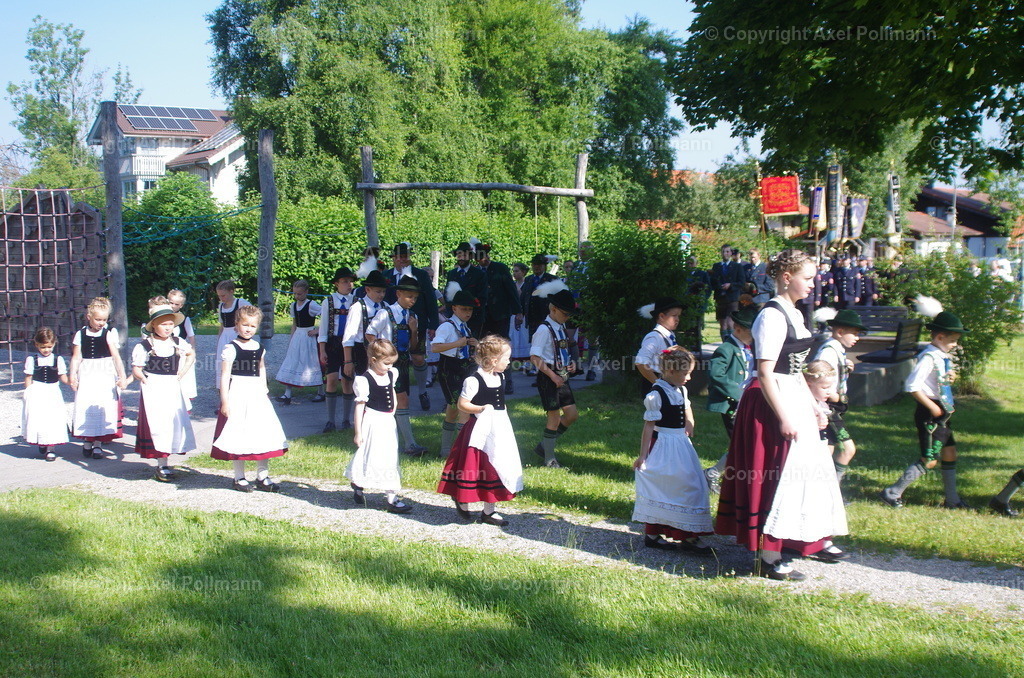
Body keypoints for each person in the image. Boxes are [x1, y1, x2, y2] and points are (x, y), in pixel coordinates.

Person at [715, 249, 849, 582]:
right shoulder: (771, 316)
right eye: (808, 278)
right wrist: (785, 416)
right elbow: (765, 373)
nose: (813, 284)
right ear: (787, 278)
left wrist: (814, 405)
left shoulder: (795, 313)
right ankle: (769, 555)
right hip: (769, 401)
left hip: (792, 394)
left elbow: (797, 369)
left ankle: (802, 539)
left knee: (804, 471)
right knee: (775, 474)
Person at [880, 310, 972, 509]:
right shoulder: (928, 357)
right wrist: (932, 407)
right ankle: (892, 492)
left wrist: (951, 376)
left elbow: (939, 379)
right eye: (953, 340)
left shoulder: (941, 355)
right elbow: (912, 386)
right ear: (940, 337)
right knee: (929, 459)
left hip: (942, 412)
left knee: (950, 452)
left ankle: (952, 500)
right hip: (930, 413)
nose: (955, 344)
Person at [633, 346, 714, 554]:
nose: (689, 378)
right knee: (670, 486)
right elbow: (649, 426)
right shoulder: (656, 394)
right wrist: (643, 456)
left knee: (691, 483)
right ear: (670, 371)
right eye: (685, 373)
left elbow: (686, 406)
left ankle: (686, 532)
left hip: (681, 444)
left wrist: (690, 422)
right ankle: (657, 534)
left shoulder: (681, 389)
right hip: (664, 445)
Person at [438, 335, 523, 526]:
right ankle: (462, 498)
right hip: (479, 431)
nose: (509, 362)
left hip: (499, 429)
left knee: (496, 465)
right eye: (506, 358)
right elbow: (462, 404)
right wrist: (481, 409)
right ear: (493, 360)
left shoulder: (500, 377)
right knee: (477, 466)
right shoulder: (474, 380)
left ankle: (489, 511)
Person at [212, 305, 288, 492]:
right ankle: (239, 477)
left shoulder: (259, 348)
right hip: (238, 392)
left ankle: (262, 475)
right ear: (237, 324)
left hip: (256, 394)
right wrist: (225, 401)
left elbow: (261, 369)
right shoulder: (231, 348)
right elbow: (225, 376)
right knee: (239, 432)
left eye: (253, 326)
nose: (248, 329)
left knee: (262, 431)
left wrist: (264, 390)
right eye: (245, 324)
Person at [131, 303, 197, 482]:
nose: (168, 328)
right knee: (158, 424)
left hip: (172, 387)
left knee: (171, 423)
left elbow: (191, 354)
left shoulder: (177, 342)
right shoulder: (145, 346)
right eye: (163, 324)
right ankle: (161, 464)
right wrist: (143, 378)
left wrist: (183, 371)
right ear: (153, 325)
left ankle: (165, 462)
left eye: (170, 324)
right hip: (154, 388)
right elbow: (137, 368)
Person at [346, 338, 412, 513]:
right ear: (373, 360)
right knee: (369, 454)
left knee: (390, 456)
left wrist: (393, 412)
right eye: (386, 363)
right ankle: (358, 482)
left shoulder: (391, 374)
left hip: (388, 422)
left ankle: (392, 496)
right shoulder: (364, 380)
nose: (390, 367)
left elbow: (392, 392)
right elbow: (359, 407)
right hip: (373, 422)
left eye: (392, 363)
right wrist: (358, 432)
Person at [365, 274, 428, 456]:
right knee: (399, 399)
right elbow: (370, 333)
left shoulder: (412, 316)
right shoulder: (385, 313)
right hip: (387, 364)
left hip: (403, 362)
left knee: (398, 400)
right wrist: (380, 354)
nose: (412, 300)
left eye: (415, 297)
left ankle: (397, 441)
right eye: (409, 296)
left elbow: (414, 346)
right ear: (399, 294)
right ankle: (409, 443)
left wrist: (414, 330)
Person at [812, 309, 867, 495]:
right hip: (828, 408)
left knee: (826, 451)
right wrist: (834, 396)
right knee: (847, 449)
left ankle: (822, 492)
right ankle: (831, 493)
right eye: (855, 333)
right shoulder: (828, 352)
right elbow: (817, 378)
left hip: (831, 408)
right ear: (840, 332)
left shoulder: (836, 350)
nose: (857, 338)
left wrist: (846, 367)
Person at [703, 307, 756, 492]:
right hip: (732, 405)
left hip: (750, 402)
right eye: (752, 332)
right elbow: (716, 375)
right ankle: (713, 474)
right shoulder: (725, 349)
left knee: (745, 443)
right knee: (741, 444)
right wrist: (739, 395)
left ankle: (736, 480)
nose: (755, 336)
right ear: (738, 329)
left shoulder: (752, 347)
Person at [69, 296, 127, 459]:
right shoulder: (80, 334)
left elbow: (116, 356)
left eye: (104, 320)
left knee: (102, 406)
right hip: (87, 372)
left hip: (104, 372)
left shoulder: (108, 334)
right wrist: (73, 375)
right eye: (98, 319)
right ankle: (87, 440)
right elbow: (76, 357)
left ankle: (98, 444)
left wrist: (122, 375)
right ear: (89, 317)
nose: (101, 323)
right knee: (87, 405)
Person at [384, 242, 439, 410]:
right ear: (393, 258)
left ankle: (422, 391)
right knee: (393, 359)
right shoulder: (386, 275)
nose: (402, 259)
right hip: (392, 326)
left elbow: (431, 299)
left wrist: (433, 324)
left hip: (417, 323)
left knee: (418, 358)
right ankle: (395, 395)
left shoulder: (420, 275)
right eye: (399, 257)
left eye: (405, 256)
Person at [529, 285, 579, 468]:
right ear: (554, 309)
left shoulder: (560, 326)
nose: (567, 317)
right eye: (565, 314)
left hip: (561, 375)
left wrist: (570, 364)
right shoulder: (543, 330)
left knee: (572, 415)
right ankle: (549, 459)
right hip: (548, 376)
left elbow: (562, 350)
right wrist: (553, 376)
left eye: (569, 314)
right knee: (554, 417)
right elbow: (535, 358)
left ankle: (544, 446)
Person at [432, 285, 479, 457]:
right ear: (454, 308)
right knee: (459, 407)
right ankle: (457, 450)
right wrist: (457, 344)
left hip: (465, 368)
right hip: (449, 368)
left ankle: (450, 449)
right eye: (464, 309)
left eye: (470, 310)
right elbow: (435, 347)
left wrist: (475, 344)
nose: (467, 313)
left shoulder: (465, 326)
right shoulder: (446, 326)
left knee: (454, 408)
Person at [475, 243, 523, 393]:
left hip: (500, 314)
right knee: (483, 346)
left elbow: (511, 289)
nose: (481, 259)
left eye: (483, 255)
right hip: (482, 316)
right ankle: (485, 379)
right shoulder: (475, 271)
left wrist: (518, 311)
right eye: (478, 257)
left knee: (502, 345)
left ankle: (507, 380)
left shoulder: (500, 268)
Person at [21, 327, 69, 461]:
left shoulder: (58, 359)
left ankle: (51, 448)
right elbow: (28, 377)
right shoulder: (32, 359)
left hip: (53, 391)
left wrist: (72, 382)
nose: (46, 350)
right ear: (37, 345)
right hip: (38, 391)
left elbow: (63, 376)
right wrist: (28, 393)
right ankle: (42, 441)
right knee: (40, 418)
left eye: (49, 347)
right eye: (43, 347)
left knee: (53, 419)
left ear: (54, 344)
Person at [317, 268, 356, 431]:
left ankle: (346, 420)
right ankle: (330, 420)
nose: (349, 284)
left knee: (347, 380)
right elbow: (323, 327)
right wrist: (322, 350)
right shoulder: (329, 301)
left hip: (350, 344)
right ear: (336, 284)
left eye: (350, 281)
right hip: (333, 343)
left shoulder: (356, 301)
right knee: (332, 379)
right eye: (345, 281)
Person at [276, 279, 324, 406]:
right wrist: (292, 339)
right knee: (292, 361)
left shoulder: (311, 305)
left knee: (313, 362)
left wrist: (317, 330)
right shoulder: (293, 305)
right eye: (295, 293)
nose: (297, 296)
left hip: (308, 337)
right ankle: (287, 393)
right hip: (298, 336)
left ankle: (321, 392)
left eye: (300, 294)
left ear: (306, 292)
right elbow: (294, 324)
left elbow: (326, 315)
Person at [342, 269, 389, 388]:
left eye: (383, 291)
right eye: (378, 291)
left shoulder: (386, 307)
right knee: (364, 386)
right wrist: (348, 361)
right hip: (362, 352)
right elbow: (349, 337)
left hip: (383, 352)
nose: (381, 295)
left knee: (382, 385)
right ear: (367, 290)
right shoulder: (357, 307)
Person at [634, 297, 683, 394]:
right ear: (661, 316)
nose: (677, 319)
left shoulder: (669, 335)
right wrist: (658, 384)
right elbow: (640, 363)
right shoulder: (654, 337)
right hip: (656, 386)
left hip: (668, 383)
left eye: (678, 316)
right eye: (674, 315)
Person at [213, 281, 252, 389]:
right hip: (225, 336)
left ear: (231, 291)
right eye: (219, 296)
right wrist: (219, 340)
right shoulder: (221, 306)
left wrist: (243, 327)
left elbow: (252, 316)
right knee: (223, 361)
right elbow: (222, 325)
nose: (221, 298)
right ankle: (223, 389)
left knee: (238, 360)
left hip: (237, 335)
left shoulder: (240, 303)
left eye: (223, 295)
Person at [445, 241, 488, 336]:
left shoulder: (479, 274)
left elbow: (482, 297)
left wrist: (470, 311)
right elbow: (447, 296)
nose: (461, 258)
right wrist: (451, 313)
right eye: (459, 255)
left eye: (464, 255)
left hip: (473, 318)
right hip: (455, 317)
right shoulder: (452, 274)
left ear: (470, 256)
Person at [167, 289, 198, 405]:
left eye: (176, 304)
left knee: (181, 376)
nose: (173, 306)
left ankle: (183, 402)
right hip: (166, 350)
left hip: (180, 351)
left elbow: (191, 336)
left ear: (181, 305)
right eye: (171, 302)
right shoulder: (163, 316)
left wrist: (193, 352)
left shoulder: (185, 319)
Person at [710, 244, 744, 339]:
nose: (725, 254)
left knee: (730, 322)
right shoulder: (716, 266)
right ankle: (725, 343)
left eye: (727, 251)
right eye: (723, 252)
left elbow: (741, 282)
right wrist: (719, 286)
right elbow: (712, 281)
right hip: (720, 298)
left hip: (732, 298)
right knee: (723, 323)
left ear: (731, 253)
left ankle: (732, 343)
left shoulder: (737, 266)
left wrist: (730, 285)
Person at [684, 256, 712, 352]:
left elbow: (708, 289)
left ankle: (697, 347)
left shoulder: (702, 274)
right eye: (688, 263)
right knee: (687, 327)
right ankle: (687, 346)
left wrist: (702, 299)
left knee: (697, 326)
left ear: (696, 263)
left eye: (692, 263)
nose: (690, 265)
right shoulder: (684, 275)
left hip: (698, 305)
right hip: (687, 305)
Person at [509, 263, 532, 367]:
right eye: (513, 271)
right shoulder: (512, 285)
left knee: (524, 337)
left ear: (523, 272)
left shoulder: (527, 285)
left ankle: (526, 361)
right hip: (513, 315)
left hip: (524, 315)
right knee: (513, 336)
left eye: (517, 271)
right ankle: (514, 359)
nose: (514, 273)